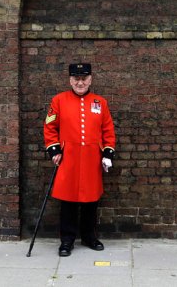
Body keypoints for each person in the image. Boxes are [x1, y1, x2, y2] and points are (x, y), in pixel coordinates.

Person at [44, 63, 116, 257]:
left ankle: (89, 237)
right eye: (76, 79)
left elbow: (108, 130)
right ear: (70, 80)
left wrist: (108, 154)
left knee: (91, 200)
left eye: (84, 78)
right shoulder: (58, 100)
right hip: (69, 159)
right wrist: (54, 149)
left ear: (90, 79)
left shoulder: (100, 102)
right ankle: (67, 240)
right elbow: (50, 127)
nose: (80, 82)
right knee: (68, 201)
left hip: (92, 159)